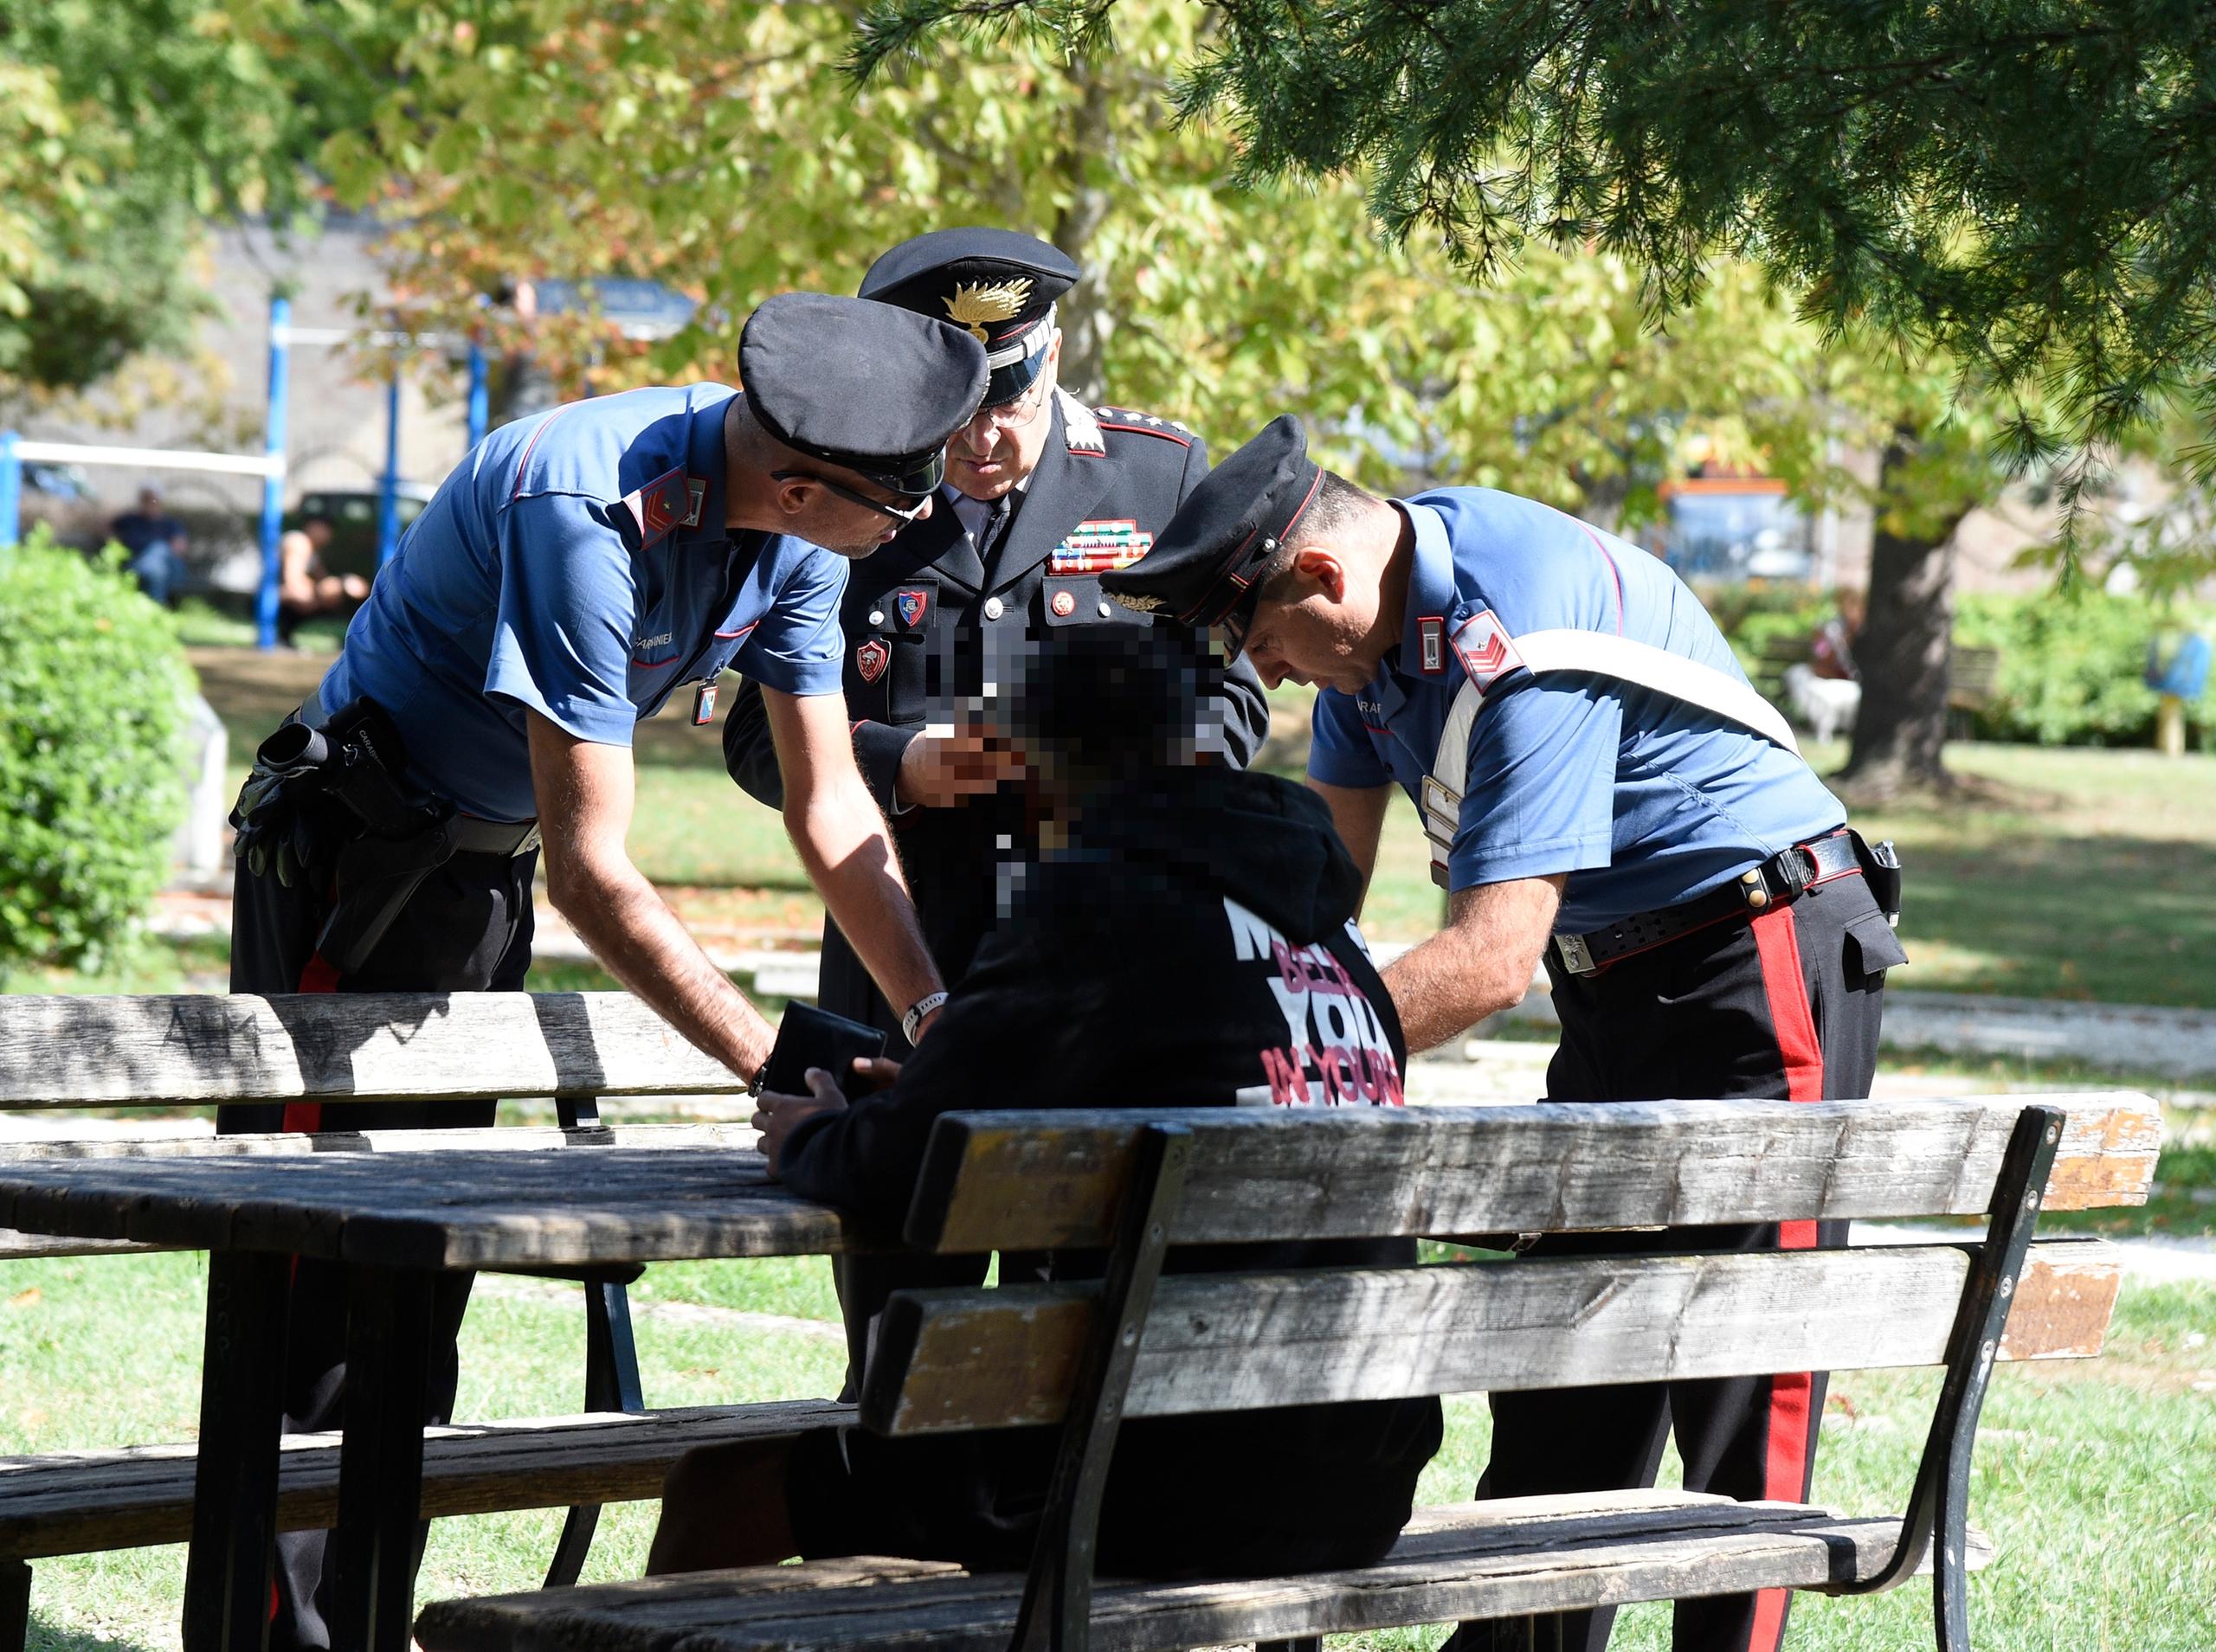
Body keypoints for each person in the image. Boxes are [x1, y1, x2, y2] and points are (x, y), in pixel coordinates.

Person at [222, 292, 987, 1649]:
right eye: (899, 508)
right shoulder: (584, 511)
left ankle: (362, 1624)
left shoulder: (792, 537)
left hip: (472, 878)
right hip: (358, 871)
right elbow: (596, 870)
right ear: (805, 482)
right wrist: (775, 1062)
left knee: (417, 1308)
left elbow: (831, 813)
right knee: (317, 1312)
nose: (914, 531)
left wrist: (934, 1018)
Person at [1098, 416, 1908, 1652]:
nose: (1276, 678)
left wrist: (1257, 1070)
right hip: (1616, 979)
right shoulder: (1371, 645)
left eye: (1265, 644)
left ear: (1320, 574)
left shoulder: (1513, 626)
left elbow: (1484, 963)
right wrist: (1222, 1003)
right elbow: (1316, 911)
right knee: (1567, 1377)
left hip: (1761, 957)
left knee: (1750, 1370)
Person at [651, 627, 1440, 1581]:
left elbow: (902, 1175)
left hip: (1166, 1464)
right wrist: (959, 1099)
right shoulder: (1326, 923)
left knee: (718, 1491)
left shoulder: (1098, 897)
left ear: (1023, 767)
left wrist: (816, 1130)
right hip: (1361, 1465)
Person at [721, 228, 1270, 1387]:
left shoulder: (1155, 479)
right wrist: (898, 762)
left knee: (1067, 1326)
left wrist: (1105, 772)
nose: (982, 437)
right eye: (957, 407)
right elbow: (752, 745)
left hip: (1091, 972)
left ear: (1055, 353)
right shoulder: (850, 488)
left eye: (1008, 395)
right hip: (905, 950)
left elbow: (1236, 704)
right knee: (895, 1330)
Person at [276, 514, 371, 646]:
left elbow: (323, 579)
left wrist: (339, 586)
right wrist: (332, 589)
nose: (328, 535)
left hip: (291, 593)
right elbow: (292, 582)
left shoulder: (313, 550)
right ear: (313, 526)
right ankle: (280, 635)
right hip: (273, 594)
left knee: (340, 592)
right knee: (308, 596)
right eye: (326, 529)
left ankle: (353, 638)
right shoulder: (298, 542)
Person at [108, 485, 186, 606]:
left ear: (159, 502)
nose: (150, 503)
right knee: (155, 571)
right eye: (146, 499)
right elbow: (105, 529)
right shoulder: (129, 520)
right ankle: (156, 606)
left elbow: (179, 547)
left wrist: (154, 553)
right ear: (141, 501)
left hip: (168, 567)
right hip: (135, 562)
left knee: (159, 549)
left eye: (153, 500)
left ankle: (148, 566)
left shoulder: (170, 524)